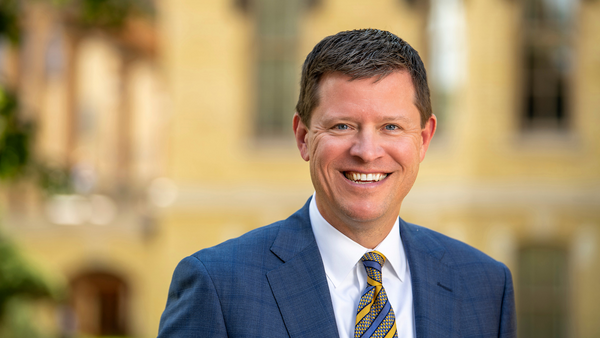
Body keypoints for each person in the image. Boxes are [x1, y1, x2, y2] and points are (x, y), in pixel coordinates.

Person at [157, 29, 516, 338]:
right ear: (303, 137)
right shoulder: (218, 285)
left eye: (391, 126)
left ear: (423, 140)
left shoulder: (485, 286)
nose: (367, 151)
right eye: (342, 126)